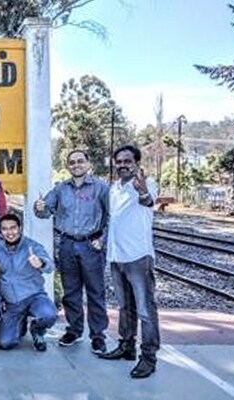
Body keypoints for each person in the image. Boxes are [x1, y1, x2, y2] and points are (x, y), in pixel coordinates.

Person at [33, 150, 109, 354]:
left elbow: (113, 216)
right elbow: (43, 212)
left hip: (91, 244)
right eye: (72, 162)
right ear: (67, 166)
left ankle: (98, 336)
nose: (76, 165)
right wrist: (38, 206)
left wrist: (103, 240)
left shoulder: (101, 188)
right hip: (67, 244)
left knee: (95, 292)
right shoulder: (60, 189)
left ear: (88, 163)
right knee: (71, 292)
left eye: (80, 161)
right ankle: (74, 330)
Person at [99, 145, 160, 379]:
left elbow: (148, 201)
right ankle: (126, 346)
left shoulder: (146, 183)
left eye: (127, 161)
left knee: (145, 310)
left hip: (138, 257)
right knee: (125, 307)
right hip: (117, 256)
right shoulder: (114, 188)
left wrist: (143, 191)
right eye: (119, 161)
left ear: (136, 163)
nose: (123, 165)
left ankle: (149, 357)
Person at [0, 214, 57, 352]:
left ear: (20, 228)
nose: (10, 232)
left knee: (48, 314)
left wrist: (40, 263)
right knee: (5, 343)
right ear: (0, 232)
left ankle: (37, 330)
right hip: (12, 303)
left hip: (34, 296)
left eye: (13, 228)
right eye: (5, 229)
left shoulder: (32, 246)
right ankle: (20, 324)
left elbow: (50, 266)